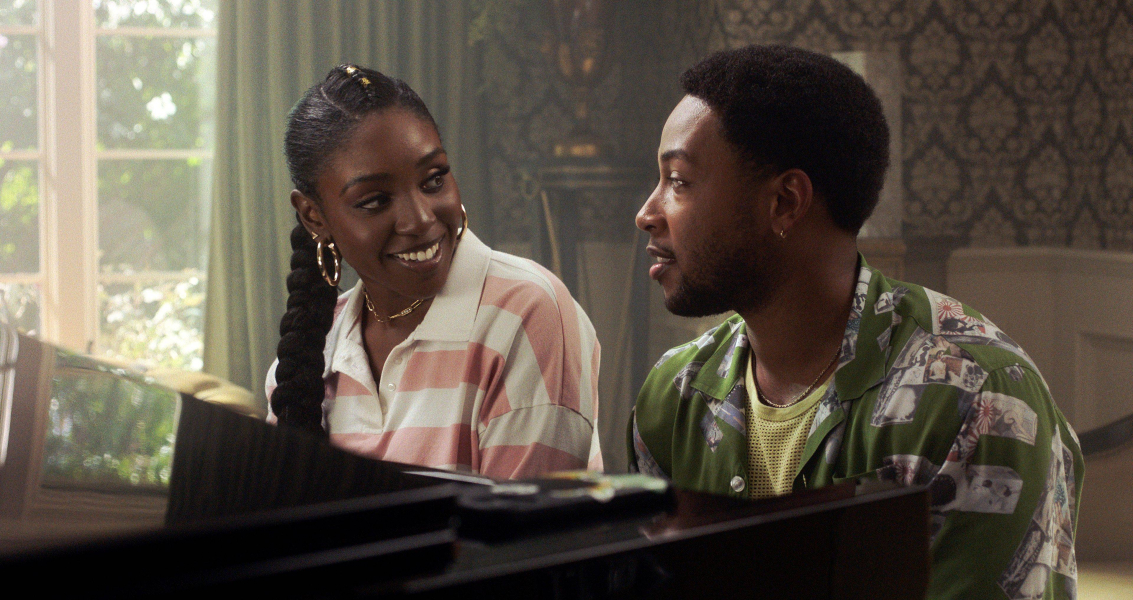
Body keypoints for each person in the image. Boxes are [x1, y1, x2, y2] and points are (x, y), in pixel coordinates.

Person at [629, 45, 1082, 600]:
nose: (647, 213)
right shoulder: (672, 396)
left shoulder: (975, 399)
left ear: (785, 202)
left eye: (678, 181)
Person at [267, 65, 602, 479]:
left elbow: (526, 519)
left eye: (433, 180)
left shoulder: (527, 313)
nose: (421, 219)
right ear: (313, 216)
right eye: (375, 201)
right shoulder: (307, 356)